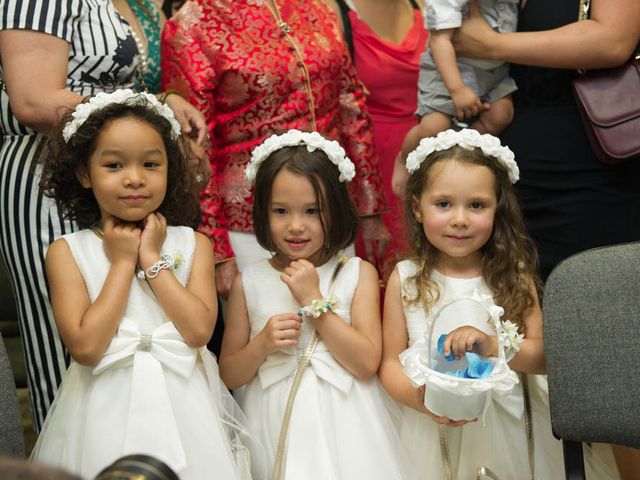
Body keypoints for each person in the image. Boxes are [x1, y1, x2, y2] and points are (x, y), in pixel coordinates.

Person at [0, 0, 206, 431]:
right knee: (66, 366)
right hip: (52, 179)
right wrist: (154, 120)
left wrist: (160, 102)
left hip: (116, 155)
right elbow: (34, 98)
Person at [30, 91, 255, 480]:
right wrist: (121, 263)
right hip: (102, 409)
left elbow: (199, 331)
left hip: (186, 405)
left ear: (170, 169)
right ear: (84, 173)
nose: (135, 178)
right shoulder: (67, 252)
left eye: (151, 164)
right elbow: (86, 347)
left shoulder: (194, 244)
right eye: (114, 165)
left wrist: (151, 259)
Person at [379, 129, 620, 478]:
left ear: (498, 209)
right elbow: (389, 363)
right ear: (417, 208)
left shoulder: (513, 274)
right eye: (443, 204)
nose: (460, 219)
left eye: (476, 205)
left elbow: (544, 359)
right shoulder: (407, 278)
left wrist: (494, 346)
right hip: (433, 430)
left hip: (512, 424)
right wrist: (425, 401)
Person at [161, 0, 391, 298]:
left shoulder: (317, 8)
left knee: (339, 322)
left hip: (330, 209)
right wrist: (217, 252)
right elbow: (195, 149)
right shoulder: (193, 23)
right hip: (251, 221)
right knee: (269, 331)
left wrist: (370, 210)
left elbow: (351, 105)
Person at [219, 130, 408, 479]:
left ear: (336, 209)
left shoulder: (356, 273)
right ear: (261, 211)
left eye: (312, 211)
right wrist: (261, 344)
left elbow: (366, 363)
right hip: (273, 421)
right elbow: (230, 374)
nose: (295, 226)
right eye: (280, 211)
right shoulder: (251, 282)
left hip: (347, 421)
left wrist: (314, 301)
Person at [450, 0, 640, 282]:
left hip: (590, 166)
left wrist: (491, 44)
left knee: (588, 296)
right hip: (503, 171)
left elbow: (613, 41)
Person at [329, 0, 429, 282]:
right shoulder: (331, 7)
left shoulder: (425, 4)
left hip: (425, 154)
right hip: (368, 163)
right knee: (375, 271)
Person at [392, 0, 518, 197]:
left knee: (502, 114)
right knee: (434, 127)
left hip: (492, 72)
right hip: (447, 70)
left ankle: (457, 150)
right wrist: (457, 89)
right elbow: (439, 41)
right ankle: (404, 156)